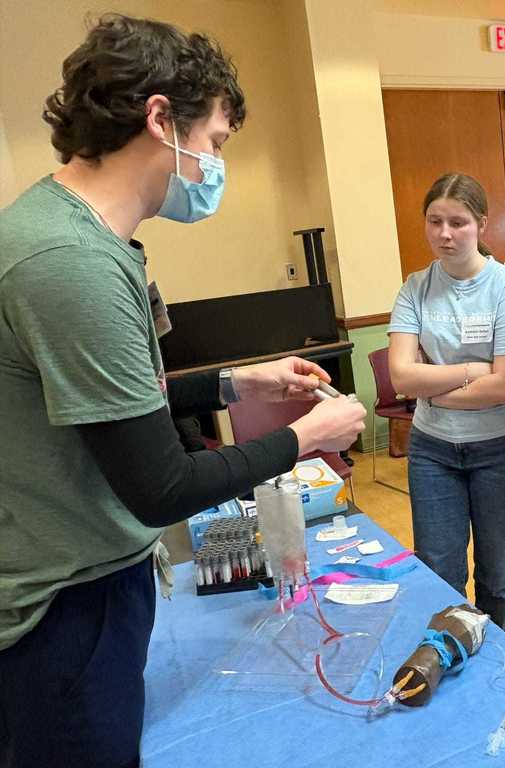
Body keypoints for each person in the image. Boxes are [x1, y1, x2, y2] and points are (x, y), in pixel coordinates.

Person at [0, 16, 366, 768]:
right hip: (64, 609)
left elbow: (110, 404)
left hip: (81, 586)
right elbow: (159, 487)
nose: (214, 166)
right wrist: (307, 437)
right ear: (161, 118)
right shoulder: (70, 261)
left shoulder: (72, 234)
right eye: (217, 142)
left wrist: (235, 382)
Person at [387, 173, 505, 637]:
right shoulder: (415, 288)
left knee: (497, 574)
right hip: (433, 449)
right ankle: (446, 656)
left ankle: (497, 657)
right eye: (435, 221)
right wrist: (473, 369)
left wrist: (432, 388)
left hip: (503, 448)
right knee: (438, 569)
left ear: (482, 225)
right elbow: (401, 377)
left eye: (458, 222)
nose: (445, 234)